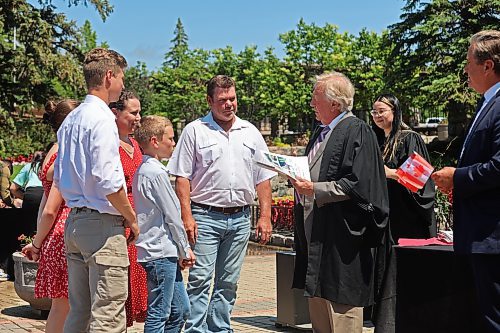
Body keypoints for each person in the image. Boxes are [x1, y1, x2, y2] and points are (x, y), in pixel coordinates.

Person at [167, 75, 276, 332]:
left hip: (240, 218)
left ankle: (220, 328)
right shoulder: (195, 130)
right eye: (222, 100)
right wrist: (186, 216)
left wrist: (265, 216)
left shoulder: (250, 132)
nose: (229, 104)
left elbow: (264, 178)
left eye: (232, 99)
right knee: (200, 280)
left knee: (229, 282)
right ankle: (195, 329)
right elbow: (181, 178)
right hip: (204, 216)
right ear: (209, 101)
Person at [290, 72, 389, 333]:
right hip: (318, 238)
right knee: (320, 310)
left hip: (343, 242)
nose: (312, 103)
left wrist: (314, 189)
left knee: (341, 314)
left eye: (316, 98)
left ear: (335, 104)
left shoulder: (357, 131)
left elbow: (358, 184)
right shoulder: (321, 132)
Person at [53, 48, 139, 333]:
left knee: (80, 312)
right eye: (121, 78)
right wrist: (131, 217)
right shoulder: (102, 119)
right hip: (101, 226)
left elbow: (61, 177)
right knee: (108, 315)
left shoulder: (71, 120)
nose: (123, 84)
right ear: (109, 76)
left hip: (75, 221)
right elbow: (109, 182)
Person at [432, 30, 500, 333]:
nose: (465, 70)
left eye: (468, 61)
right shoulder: (487, 102)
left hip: (492, 236)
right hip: (481, 234)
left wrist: (457, 177)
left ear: (487, 65)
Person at [133, 115, 195, 332]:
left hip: (163, 252)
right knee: (160, 312)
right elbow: (172, 214)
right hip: (159, 252)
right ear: (155, 141)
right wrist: (185, 248)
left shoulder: (146, 169)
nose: (174, 143)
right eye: (170, 138)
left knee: (180, 310)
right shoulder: (155, 172)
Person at [22, 99, 79, 333]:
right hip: (66, 231)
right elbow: (50, 208)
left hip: (54, 233)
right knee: (68, 306)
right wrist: (36, 243)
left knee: (61, 305)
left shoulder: (54, 149)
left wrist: (39, 240)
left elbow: (45, 207)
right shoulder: (66, 153)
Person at [371, 93, 436, 242]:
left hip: (407, 215)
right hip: (385, 214)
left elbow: (420, 179)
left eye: (382, 111)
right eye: (374, 112)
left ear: (395, 111)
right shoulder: (377, 142)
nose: (377, 115)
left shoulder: (410, 138)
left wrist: (390, 173)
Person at [109, 90, 148, 327]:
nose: (138, 117)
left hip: (140, 219)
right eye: (133, 112)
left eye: (139, 112)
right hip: (120, 218)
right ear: (116, 113)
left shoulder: (135, 143)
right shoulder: (109, 144)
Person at [10, 151, 45, 236]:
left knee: (29, 227)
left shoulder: (28, 166)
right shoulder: (49, 167)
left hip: (30, 194)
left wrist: (24, 197)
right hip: (45, 194)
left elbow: (13, 188)